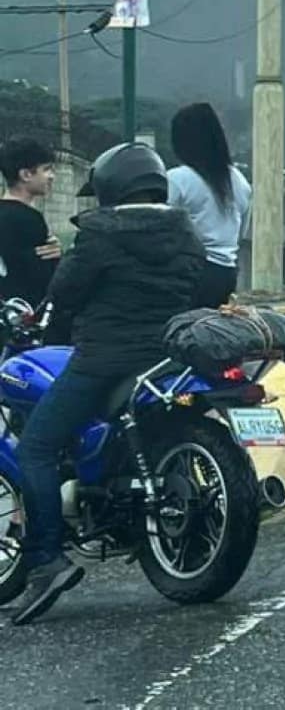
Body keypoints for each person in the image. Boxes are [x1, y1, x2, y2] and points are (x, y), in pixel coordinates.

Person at [10, 142, 204, 626]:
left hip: (103, 359)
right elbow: (204, 282)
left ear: (113, 188)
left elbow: (66, 292)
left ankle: (46, 560)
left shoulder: (99, 233)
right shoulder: (184, 232)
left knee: (36, 446)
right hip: (167, 357)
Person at [165, 102, 252, 309]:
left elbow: (162, 230)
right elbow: (241, 231)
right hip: (227, 274)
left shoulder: (177, 179)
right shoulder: (238, 180)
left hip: (190, 273)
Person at [0, 138, 62, 309]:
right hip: (23, 313)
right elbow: (44, 279)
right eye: (46, 169)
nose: (52, 176)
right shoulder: (28, 219)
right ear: (26, 175)